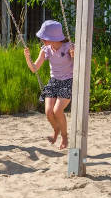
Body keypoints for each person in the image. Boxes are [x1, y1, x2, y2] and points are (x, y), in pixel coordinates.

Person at [24, 20, 74, 150]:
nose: (42, 39)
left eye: (44, 37)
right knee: (48, 112)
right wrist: (28, 58)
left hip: (67, 81)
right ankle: (56, 129)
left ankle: (64, 137)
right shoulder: (46, 50)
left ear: (54, 37)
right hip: (54, 82)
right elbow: (34, 68)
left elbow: (78, 65)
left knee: (57, 111)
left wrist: (74, 56)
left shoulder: (68, 47)